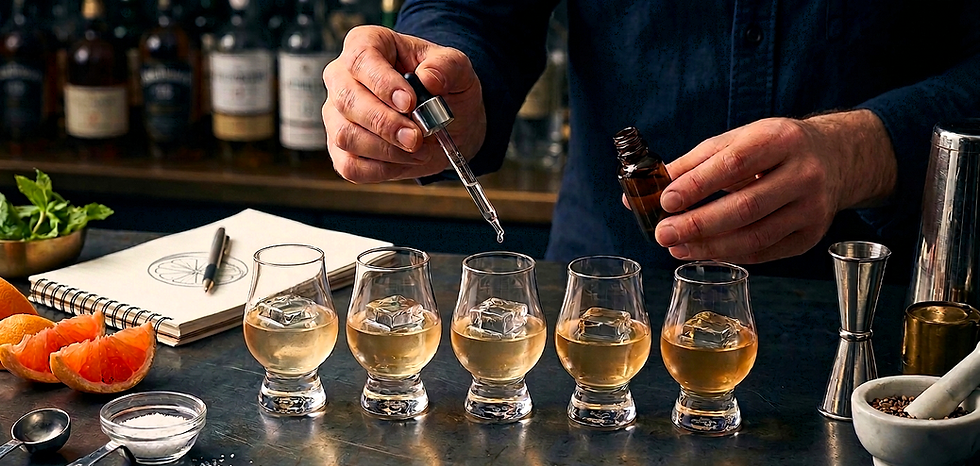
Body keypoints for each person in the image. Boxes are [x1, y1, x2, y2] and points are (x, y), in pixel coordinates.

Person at [322, 1, 980, 280]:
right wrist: (439, 80)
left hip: (881, 313)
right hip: (609, 303)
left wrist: (865, 151)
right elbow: (472, 12)